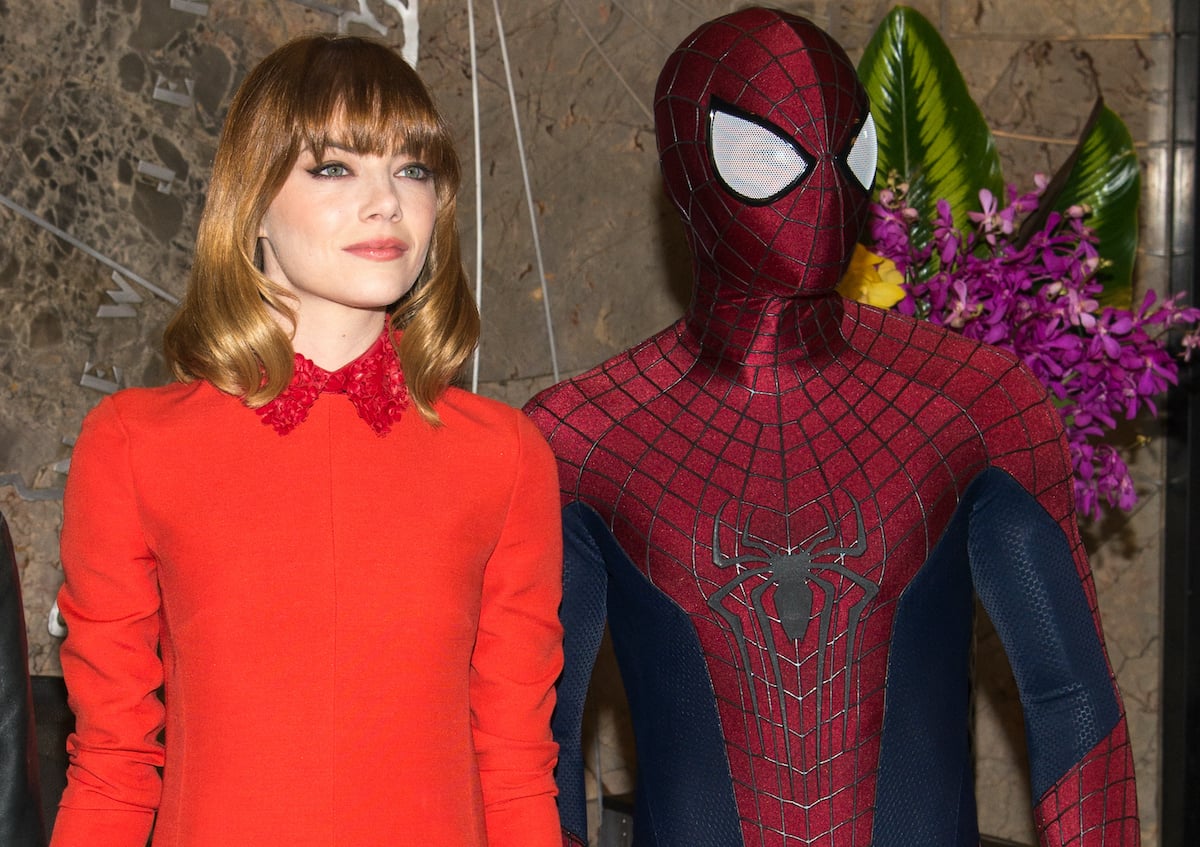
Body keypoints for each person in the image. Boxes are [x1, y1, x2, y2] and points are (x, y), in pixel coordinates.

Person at [525, 7, 1139, 846]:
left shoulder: (975, 401)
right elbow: (537, 743)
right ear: (684, 167)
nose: (821, 190)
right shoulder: (583, 436)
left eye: (849, 153)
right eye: (765, 157)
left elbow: (1074, 703)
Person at [51, 34, 563, 847]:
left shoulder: (503, 456)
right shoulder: (135, 446)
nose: (386, 202)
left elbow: (516, 766)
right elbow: (113, 765)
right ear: (252, 203)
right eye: (334, 168)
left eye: (412, 169)